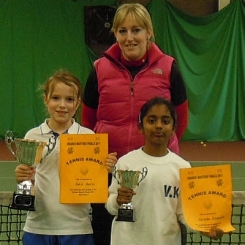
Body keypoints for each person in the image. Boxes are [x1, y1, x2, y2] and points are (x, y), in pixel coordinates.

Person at [82, 3, 188, 244]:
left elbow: (179, 119)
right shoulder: (98, 69)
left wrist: (160, 155)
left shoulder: (169, 67)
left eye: (137, 30)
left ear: (149, 32)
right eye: (122, 31)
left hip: (158, 173)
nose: (129, 38)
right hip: (110, 173)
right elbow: (88, 121)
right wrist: (103, 159)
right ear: (116, 34)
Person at [14, 70, 117, 245]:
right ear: (46, 99)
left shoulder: (88, 137)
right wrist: (23, 177)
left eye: (69, 99)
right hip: (37, 227)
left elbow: (96, 185)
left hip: (77, 228)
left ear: (77, 103)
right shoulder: (32, 136)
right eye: (56, 98)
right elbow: (29, 181)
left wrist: (106, 167)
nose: (62, 105)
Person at [106, 97, 224, 245]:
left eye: (166, 121)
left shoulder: (182, 167)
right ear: (140, 127)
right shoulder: (125, 163)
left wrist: (204, 227)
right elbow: (110, 206)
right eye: (151, 121)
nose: (159, 126)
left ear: (174, 128)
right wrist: (117, 201)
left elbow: (184, 212)